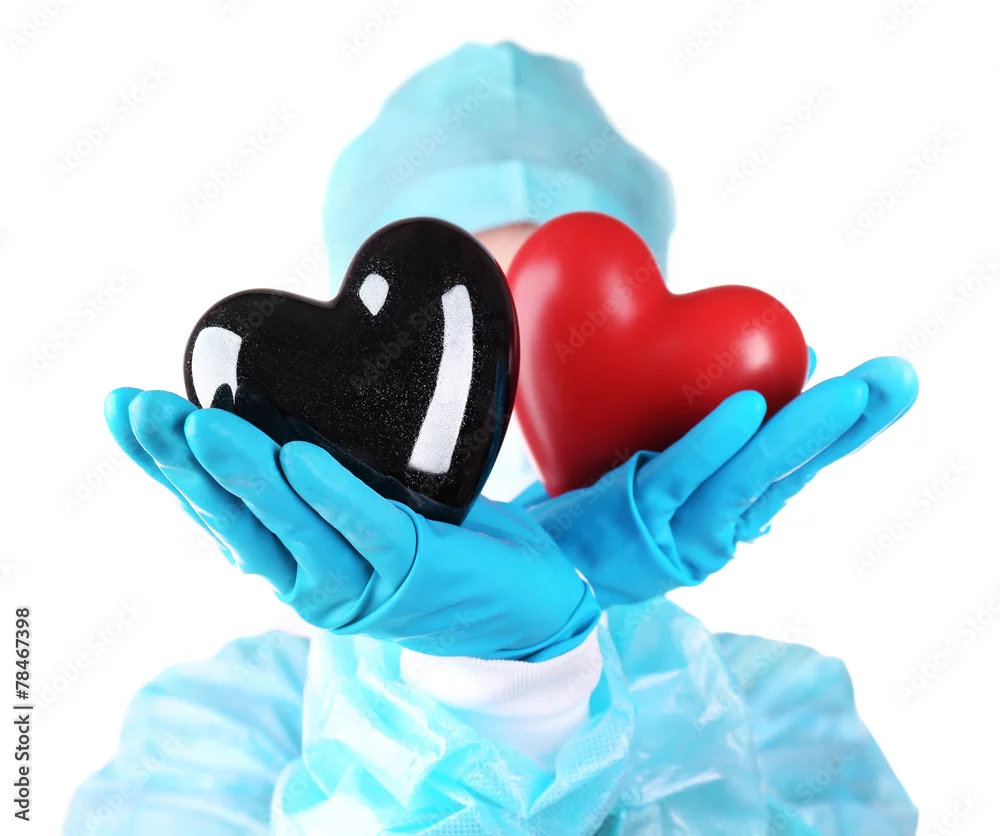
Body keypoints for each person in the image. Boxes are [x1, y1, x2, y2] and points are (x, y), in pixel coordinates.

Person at [66, 43, 920, 835]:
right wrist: (489, 681)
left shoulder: (788, 716)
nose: (496, 410)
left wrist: (541, 684)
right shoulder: (211, 728)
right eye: (445, 360)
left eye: (552, 345)